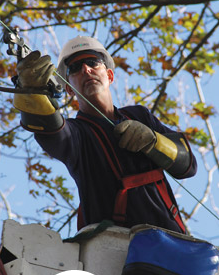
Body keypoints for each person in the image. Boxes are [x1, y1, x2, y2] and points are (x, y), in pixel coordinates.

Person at [13, 36, 197, 234]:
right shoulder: (77, 135)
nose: (86, 69)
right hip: (116, 251)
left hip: (172, 240)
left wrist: (154, 141)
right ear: (69, 89)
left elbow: (188, 166)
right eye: (75, 68)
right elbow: (52, 130)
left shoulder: (139, 115)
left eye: (93, 62)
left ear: (109, 75)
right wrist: (32, 94)